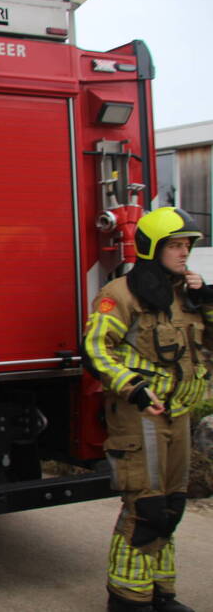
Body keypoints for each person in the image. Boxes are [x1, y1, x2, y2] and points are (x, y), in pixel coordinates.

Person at [84, 207, 212, 612]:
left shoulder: (187, 294)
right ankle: (128, 600)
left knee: (172, 506)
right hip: (140, 418)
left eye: (187, 245)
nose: (184, 253)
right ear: (152, 247)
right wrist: (134, 388)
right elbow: (95, 350)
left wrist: (207, 301)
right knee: (146, 508)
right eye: (175, 245)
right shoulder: (121, 294)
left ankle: (161, 593)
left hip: (179, 414)